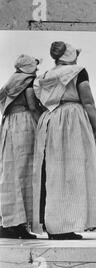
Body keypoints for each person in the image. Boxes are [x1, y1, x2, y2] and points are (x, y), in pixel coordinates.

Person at [33, 41, 96, 240]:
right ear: (72, 56)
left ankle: (53, 225)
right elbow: (89, 102)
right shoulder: (78, 71)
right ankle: (64, 226)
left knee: (52, 175)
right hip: (72, 119)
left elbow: (38, 101)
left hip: (49, 120)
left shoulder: (45, 76)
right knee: (72, 172)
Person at [0, 55, 42, 239]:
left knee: (8, 174)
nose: (37, 70)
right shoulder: (29, 83)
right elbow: (33, 107)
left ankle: (7, 221)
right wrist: (41, 126)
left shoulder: (10, 83)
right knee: (26, 174)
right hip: (24, 125)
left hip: (8, 125)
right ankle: (20, 225)